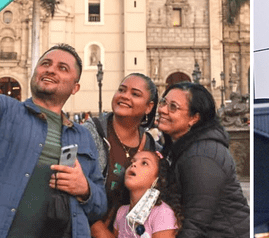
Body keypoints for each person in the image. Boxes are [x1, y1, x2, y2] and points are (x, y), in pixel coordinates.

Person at [0, 1, 106, 237]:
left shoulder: (83, 137)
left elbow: (99, 204)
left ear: (75, 87)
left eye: (62, 68)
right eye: (45, 64)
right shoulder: (3, 111)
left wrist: (85, 189)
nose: (51, 70)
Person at [158, 82, 249, 238]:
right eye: (163, 102)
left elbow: (195, 224)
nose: (162, 110)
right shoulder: (186, 147)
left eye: (173, 107)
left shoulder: (201, 157)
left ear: (194, 118)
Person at [83, 73, 159, 237]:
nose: (125, 96)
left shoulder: (151, 147)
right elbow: (75, 190)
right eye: (122, 90)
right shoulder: (89, 134)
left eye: (135, 94)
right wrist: (99, 231)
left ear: (149, 107)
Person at [113, 150, 181, 238]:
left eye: (144, 163)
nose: (134, 164)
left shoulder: (163, 214)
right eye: (132, 161)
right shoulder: (121, 212)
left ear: (157, 180)